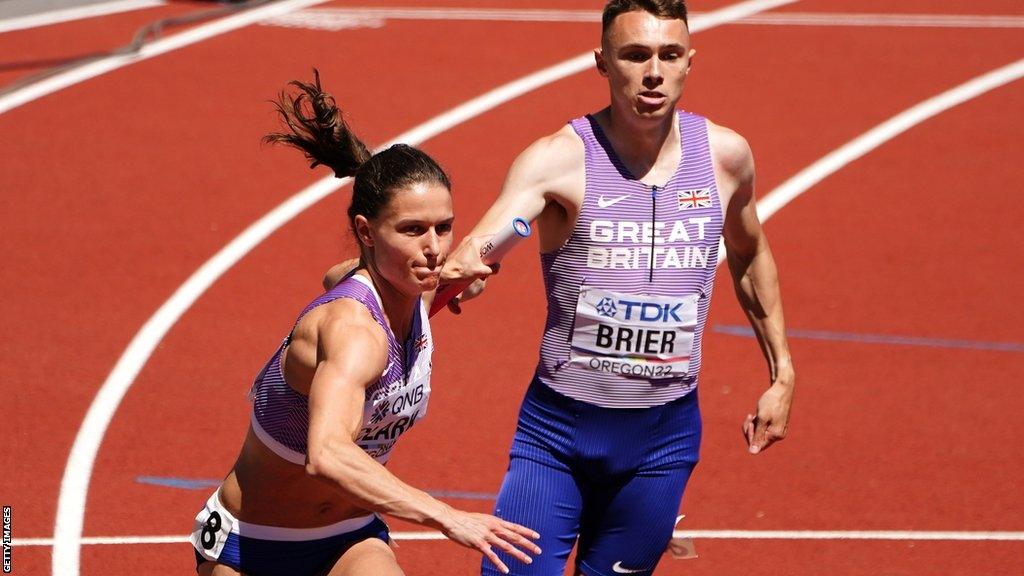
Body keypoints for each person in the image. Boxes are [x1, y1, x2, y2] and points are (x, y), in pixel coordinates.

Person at [439, 2, 796, 575]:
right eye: (635, 55)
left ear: (688, 63)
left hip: (662, 441)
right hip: (557, 435)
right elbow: (490, 242)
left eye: (668, 55)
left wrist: (781, 372)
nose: (653, 71)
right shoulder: (557, 161)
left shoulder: (726, 158)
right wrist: (472, 270)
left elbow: (750, 252)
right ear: (602, 63)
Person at [188, 71, 540, 576]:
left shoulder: (408, 287)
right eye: (413, 230)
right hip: (254, 542)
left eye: (444, 227)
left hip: (347, 538)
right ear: (365, 232)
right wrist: (446, 516)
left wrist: (448, 281)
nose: (434, 247)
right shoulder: (354, 335)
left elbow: (344, 274)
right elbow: (327, 454)